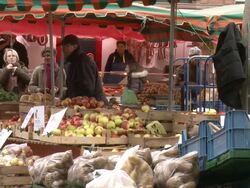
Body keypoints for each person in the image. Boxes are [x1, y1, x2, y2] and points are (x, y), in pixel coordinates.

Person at [61, 34, 107, 103]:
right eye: (63, 46)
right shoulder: (74, 61)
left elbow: (88, 88)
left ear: (75, 46)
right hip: (86, 103)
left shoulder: (83, 61)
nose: (63, 49)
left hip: (93, 104)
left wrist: (73, 98)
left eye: (67, 46)